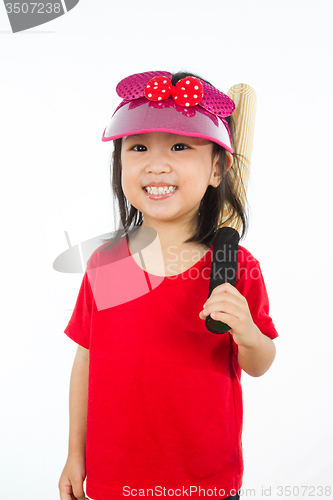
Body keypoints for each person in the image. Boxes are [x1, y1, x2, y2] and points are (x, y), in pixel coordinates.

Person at [58, 70, 279, 500]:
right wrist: (74, 454)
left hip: (205, 482)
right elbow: (86, 361)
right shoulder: (111, 265)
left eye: (180, 146)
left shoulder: (233, 267)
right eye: (138, 147)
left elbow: (259, 361)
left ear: (218, 168)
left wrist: (246, 331)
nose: (156, 164)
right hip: (114, 479)